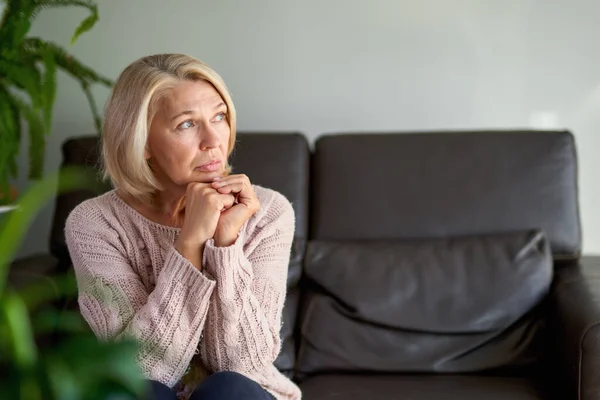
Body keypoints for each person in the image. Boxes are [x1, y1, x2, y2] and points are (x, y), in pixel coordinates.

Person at [64, 53, 301, 400]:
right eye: (186, 124)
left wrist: (225, 243)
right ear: (142, 141)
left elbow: (244, 365)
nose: (212, 140)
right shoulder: (95, 224)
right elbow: (141, 370)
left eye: (219, 116)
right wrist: (191, 242)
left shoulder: (268, 213)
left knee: (227, 387)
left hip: (241, 393)